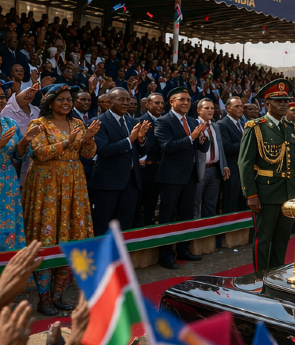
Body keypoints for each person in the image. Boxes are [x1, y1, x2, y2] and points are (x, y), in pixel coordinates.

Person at [24, 84, 100, 315]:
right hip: (46, 186)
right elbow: (39, 153)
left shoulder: (77, 123)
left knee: (71, 238)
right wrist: (67, 142)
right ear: (49, 102)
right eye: (61, 99)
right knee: (46, 241)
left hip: (74, 184)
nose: (67, 103)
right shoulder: (39, 124)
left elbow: (87, 154)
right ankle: (43, 298)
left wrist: (87, 140)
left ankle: (58, 296)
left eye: (69, 99)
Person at [238, 79, 295, 272]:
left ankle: (276, 274)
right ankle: (260, 276)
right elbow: (245, 163)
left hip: (288, 192)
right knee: (264, 239)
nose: (284, 104)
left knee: (282, 238)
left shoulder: (291, 128)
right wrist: (250, 194)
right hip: (265, 192)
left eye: (286, 101)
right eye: (279, 101)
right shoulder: (256, 127)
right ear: (267, 103)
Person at [153, 87, 210, 270]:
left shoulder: (193, 121)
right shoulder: (163, 121)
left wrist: (202, 138)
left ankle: (183, 249)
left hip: (190, 176)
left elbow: (202, 148)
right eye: (181, 99)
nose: (186, 102)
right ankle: (166, 255)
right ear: (172, 102)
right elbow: (167, 147)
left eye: (188, 99)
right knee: (167, 216)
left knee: (186, 215)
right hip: (171, 177)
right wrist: (191, 137)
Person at [88, 87, 149, 236]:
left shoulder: (133, 121)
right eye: (121, 99)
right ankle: (104, 258)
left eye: (128, 99)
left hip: (131, 181)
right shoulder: (98, 122)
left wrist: (141, 139)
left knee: (125, 225)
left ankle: (121, 257)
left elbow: (142, 151)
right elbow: (104, 150)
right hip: (108, 182)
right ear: (109, 102)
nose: (126, 102)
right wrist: (130, 139)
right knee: (103, 224)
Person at [0, 80, 39, 256]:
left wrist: (24, 142)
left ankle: (6, 276)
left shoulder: (10, 123)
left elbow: (19, 156)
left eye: (2, 97)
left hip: (9, 182)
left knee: (7, 223)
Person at [136, 93, 164, 227]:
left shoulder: (165, 121)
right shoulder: (139, 121)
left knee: (152, 206)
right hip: (144, 169)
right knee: (139, 205)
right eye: (156, 103)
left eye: (162, 103)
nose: (160, 106)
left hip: (160, 168)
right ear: (147, 105)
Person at [218, 95, 247, 214]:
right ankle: (229, 232)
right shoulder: (222, 124)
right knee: (231, 204)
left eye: (241, 106)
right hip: (231, 170)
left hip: (243, 170)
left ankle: (240, 233)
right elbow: (227, 147)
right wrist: (247, 142)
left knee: (242, 204)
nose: (241, 108)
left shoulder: (242, 123)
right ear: (228, 108)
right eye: (237, 106)